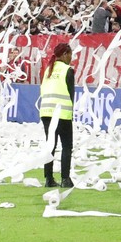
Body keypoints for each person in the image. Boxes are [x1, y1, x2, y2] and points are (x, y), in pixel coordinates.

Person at [38, 44, 76, 188]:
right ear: (65, 54)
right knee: (66, 146)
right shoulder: (67, 70)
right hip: (62, 113)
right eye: (70, 55)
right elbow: (71, 94)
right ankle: (65, 179)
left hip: (46, 112)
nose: (71, 58)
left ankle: (48, 178)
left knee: (50, 146)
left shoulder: (49, 69)